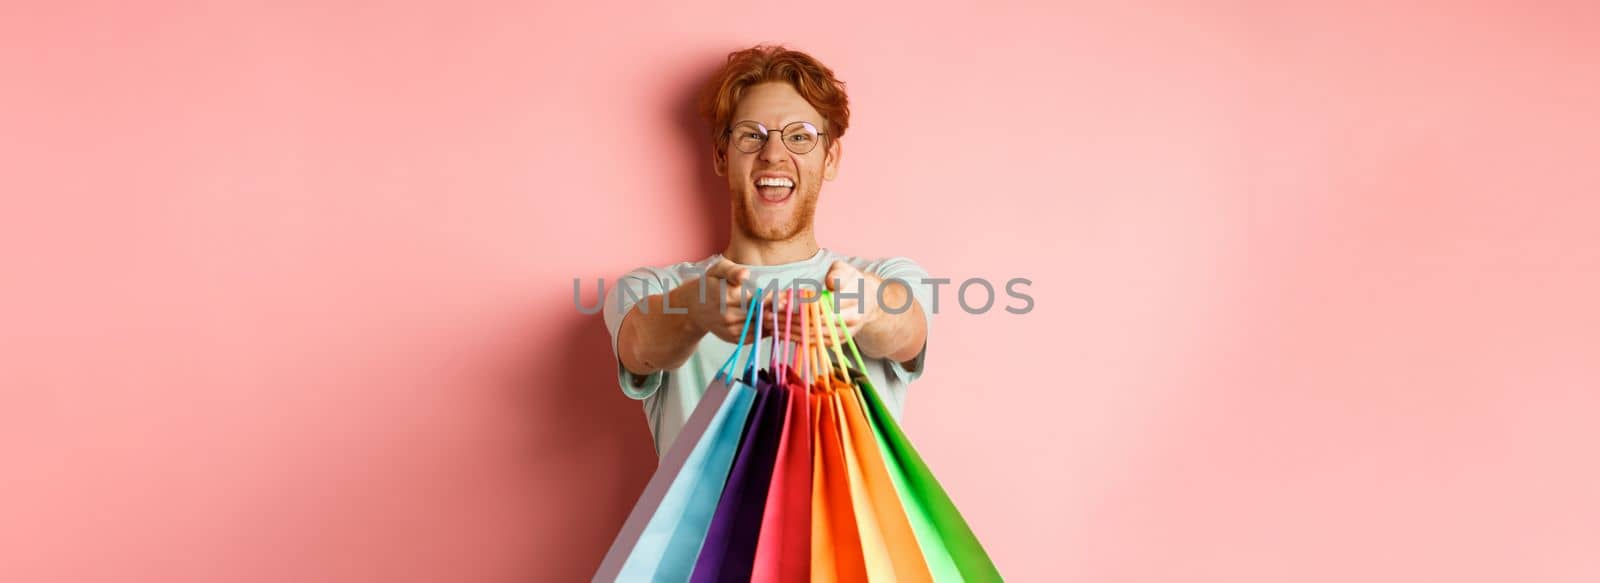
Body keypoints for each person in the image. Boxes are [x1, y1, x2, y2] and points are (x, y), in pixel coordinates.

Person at [602, 44, 935, 458]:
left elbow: (908, 330)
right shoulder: (656, 289)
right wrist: (693, 309)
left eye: (800, 136)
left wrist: (869, 308)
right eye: (751, 136)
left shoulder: (886, 278)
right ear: (722, 156)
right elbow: (640, 344)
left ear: (829, 159)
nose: (774, 154)